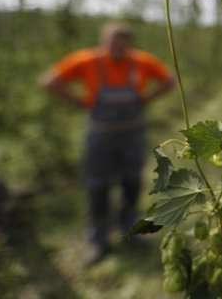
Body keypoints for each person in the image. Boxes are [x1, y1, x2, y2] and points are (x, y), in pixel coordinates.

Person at [39, 21, 175, 265]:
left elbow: (169, 80)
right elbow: (49, 81)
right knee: (98, 186)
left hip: (133, 134)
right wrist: (79, 100)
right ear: (104, 40)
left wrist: (147, 97)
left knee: (131, 182)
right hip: (100, 135)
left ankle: (130, 231)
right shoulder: (86, 61)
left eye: (123, 41)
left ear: (130, 43)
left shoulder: (142, 62)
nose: (118, 46)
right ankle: (98, 240)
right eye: (113, 40)